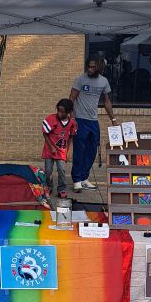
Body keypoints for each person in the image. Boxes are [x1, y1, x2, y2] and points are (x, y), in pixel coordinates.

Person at [69, 57, 116, 192]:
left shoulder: (104, 81)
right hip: (80, 119)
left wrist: (113, 119)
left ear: (99, 67)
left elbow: (107, 102)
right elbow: (71, 98)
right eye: (88, 66)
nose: (90, 69)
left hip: (93, 121)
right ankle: (77, 179)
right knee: (79, 150)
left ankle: (84, 178)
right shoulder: (80, 79)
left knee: (92, 150)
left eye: (93, 67)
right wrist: (72, 117)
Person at [41, 98, 78, 199]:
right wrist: (51, 146)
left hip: (61, 150)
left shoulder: (72, 123)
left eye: (62, 111)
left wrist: (68, 150)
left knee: (61, 170)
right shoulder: (51, 119)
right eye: (58, 110)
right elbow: (45, 133)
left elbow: (71, 135)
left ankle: (61, 189)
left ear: (69, 112)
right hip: (50, 150)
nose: (59, 113)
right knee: (48, 171)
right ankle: (49, 185)